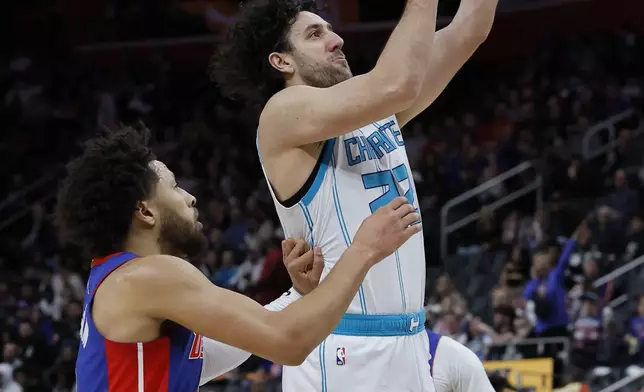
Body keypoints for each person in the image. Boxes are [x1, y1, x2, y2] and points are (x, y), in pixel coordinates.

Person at [212, 0, 498, 389]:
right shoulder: (282, 113)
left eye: (331, 29)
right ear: (281, 61)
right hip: (345, 347)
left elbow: (470, 29)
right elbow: (397, 83)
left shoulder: (373, 110)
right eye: (315, 34)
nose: (336, 40)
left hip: (408, 337)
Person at [55, 125, 421, 391]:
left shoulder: (121, 282)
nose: (189, 197)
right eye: (174, 186)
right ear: (145, 212)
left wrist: (297, 295)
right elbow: (288, 343)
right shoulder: (146, 276)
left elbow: (215, 354)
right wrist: (364, 249)